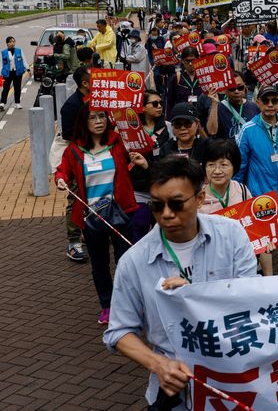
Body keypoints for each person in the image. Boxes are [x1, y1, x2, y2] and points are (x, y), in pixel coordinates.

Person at [103, 156, 257, 409]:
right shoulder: (134, 261)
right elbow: (119, 331)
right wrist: (159, 364)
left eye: (176, 204)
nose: (166, 214)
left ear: (199, 198)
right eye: (156, 205)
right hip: (175, 393)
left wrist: (196, 297)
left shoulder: (231, 234)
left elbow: (250, 301)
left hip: (234, 382)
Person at [55, 103, 138, 324]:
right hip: (93, 217)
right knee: (100, 265)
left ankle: (127, 305)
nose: (98, 121)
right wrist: (60, 179)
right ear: (85, 122)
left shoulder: (119, 142)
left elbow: (143, 145)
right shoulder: (74, 149)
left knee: (125, 263)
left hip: (121, 213)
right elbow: (63, 169)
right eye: (93, 118)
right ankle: (107, 306)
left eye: (102, 117)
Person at [199, 139, 276, 276]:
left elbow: (258, 236)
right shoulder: (198, 200)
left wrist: (269, 280)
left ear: (234, 167)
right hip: (213, 272)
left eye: (223, 165)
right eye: (211, 165)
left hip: (244, 268)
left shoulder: (242, 190)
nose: (217, 171)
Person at [235, 85, 278, 202]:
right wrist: (237, 197)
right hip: (261, 199)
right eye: (265, 101)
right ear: (258, 102)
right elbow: (240, 166)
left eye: (274, 100)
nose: (270, 104)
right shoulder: (247, 129)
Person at [127, 90, 172, 242]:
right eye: (154, 103)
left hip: (161, 186)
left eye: (161, 103)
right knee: (140, 223)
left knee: (161, 227)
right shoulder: (130, 129)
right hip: (138, 187)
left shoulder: (168, 127)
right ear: (142, 107)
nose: (159, 106)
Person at [59, 66, 92, 262]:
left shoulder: (98, 100)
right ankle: (73, 242)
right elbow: (67, 134)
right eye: (92, 78)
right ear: (84, 83)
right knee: (76, 197)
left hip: (98, 155)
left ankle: (90, 232)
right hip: (79, 158)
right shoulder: (71, 105)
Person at [203, 70, 260, 140]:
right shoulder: (218, 107)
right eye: (232, 88)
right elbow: (211, 132)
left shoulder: (254, 107)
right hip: (228, 150)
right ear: (225, 90)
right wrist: (214, 104)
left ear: (245, 86)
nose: (236, 91)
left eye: (240, 87)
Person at [165, 46, 203, 118]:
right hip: (182, 117)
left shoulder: (204, 77)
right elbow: (170, 101)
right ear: (182, 61)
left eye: (193, 60)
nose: (190, 64)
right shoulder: (176, 78)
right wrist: (169, 119)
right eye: (187, 61)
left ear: (198, 59)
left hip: (201, 116)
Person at [1, 36, 27, 110]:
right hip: (7, 73)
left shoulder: (19, 50)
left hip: (17, 72)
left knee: (17, 88)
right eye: (10, 42)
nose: (12, 43)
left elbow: (24, 60)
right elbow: (1, 64)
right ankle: (2, 103)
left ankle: (17, 103)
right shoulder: (3, 52)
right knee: (5, 88)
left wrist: (27, 69)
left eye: (13, 41)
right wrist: (1, 73)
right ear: (7, 43)